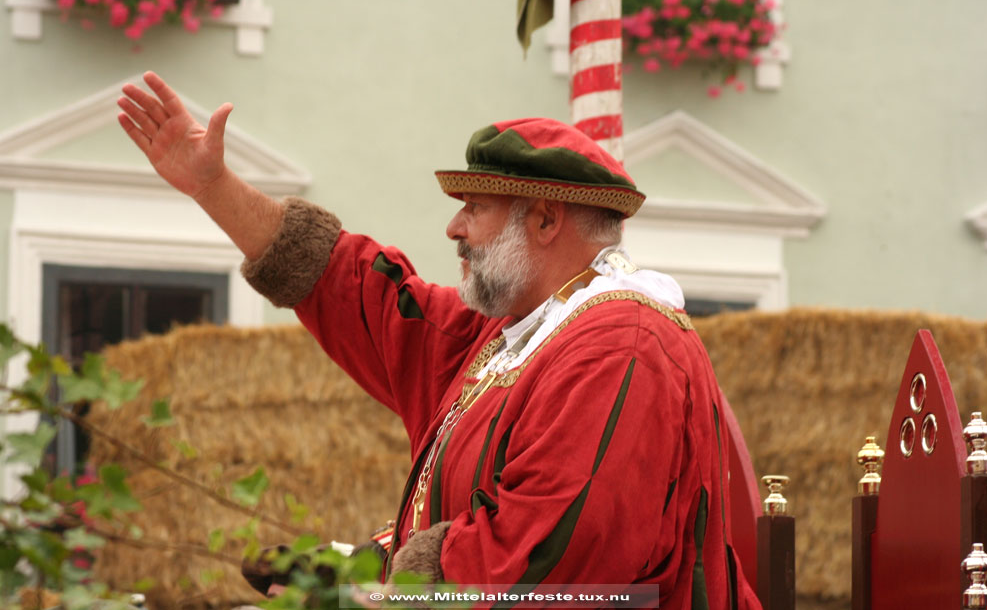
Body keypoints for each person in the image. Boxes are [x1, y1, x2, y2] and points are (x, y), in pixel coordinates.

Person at [117, 71, 760, 609]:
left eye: (475, 206)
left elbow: (550, 559)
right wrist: (214, 188)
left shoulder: (623, 345)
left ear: (544, 218)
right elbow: (361, 295)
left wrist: (378, 579)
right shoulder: (510, 336)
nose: (454, 226)